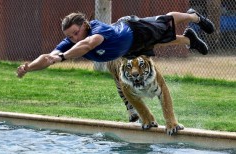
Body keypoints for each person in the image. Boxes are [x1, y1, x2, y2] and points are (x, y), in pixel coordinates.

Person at [16, 9, 215, 121]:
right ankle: (190, 40)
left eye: (75, 33)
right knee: (162, 41)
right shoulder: (70, 43)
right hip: (130, 50)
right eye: (69, 36)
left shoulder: (96, 29)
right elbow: (48, 57)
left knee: (165, 22)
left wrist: (63, 57)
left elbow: (88, 44)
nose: (73, 39)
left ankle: (193, 16)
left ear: (85, 25)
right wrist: (29, 68)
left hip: (133, 29)